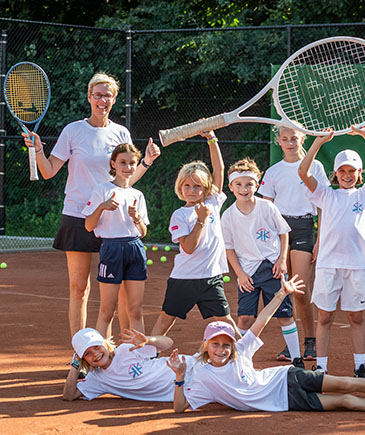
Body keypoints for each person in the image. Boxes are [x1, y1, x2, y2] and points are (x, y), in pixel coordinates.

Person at [167, 275, 365, 415]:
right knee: (346, 402)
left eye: (226, 344)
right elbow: (180, 408)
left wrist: (281, 293)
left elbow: (261, 319)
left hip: (287, 377)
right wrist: (180, 379)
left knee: (346, 383)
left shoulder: (241, 350)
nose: (222, 349)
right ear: (205, 346)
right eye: (216, 344)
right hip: (286, 401)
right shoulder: (200, 375)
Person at [22, 72, 160, 341]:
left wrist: (146, 163)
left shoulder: (121, 133)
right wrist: (38, 150)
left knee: (120, 290)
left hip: (115, 221)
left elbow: (125, 180)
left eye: (107, 95)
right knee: (79, 288)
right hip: (77, 215)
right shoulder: (73, 131)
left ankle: (122, 353)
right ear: (89, 97)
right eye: (97, 94)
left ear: (114, 98)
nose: (102, 100)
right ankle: (82, 351)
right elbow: (49, 171)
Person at [298, 126, 365, 378]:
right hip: (328, 265)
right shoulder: (325, 194)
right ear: (335, 173)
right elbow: (302, 172)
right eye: (342, 171)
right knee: (324, 318)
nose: (347, 175)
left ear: (360, 174)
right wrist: (317, 142)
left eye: (352, 171)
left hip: (357, 265)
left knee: (356, 317)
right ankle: (321, 368)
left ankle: (360, 366)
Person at [150, 129, 238, 337]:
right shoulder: (179, 215)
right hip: (184, 279)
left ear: (206, 189)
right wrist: (201, 219)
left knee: (226, 321)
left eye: (197, 186)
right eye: (187, 186)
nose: (191, 190)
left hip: (211, 278)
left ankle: (245, 359)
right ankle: (148, 358)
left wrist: (211, 139)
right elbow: (188, 248)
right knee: (165, 319)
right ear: (180, 187)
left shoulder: (212, 202)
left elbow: (219, 169)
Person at [220, 158, 303, 368]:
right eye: (238, 184)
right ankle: (239, 361)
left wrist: (282, 260)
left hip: (272, 269)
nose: (244, 189)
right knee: (245, 318)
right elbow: (228, 248)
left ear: (256, 186)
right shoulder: (228, 216)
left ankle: (297, 359)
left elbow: (284, 233)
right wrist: (239, 274)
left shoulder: (267, 207)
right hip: (247, 272)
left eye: (249, 184)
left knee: (284, 315)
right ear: (230, 187)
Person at [259, 125, 331, 362]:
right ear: (278, 140)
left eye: (294, 138)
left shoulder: (316, 167)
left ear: (303, 139)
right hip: (279, 230)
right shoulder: (273, 171)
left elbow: (323, 204)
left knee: (299, 289)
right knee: (283, 289)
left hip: (304, 228)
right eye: (285, 139)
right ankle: (292, 345)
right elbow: (266, 208)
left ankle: (310, 340)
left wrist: (321, 238)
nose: (290, 143)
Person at [83, 143, 149, 335]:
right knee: (107, 311)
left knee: (135, 310)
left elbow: (143, 231)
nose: (128, 167)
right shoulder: (101, 190)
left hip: (134, 249)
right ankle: (101, 356)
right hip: (111, 249)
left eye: (132, 163)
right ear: (113, 163)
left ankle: (139, 358)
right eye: (123, 162)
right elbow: (88, 225)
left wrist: (136, 218)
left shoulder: (137, 194)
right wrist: (102, 207)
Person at [63, 327, 193, 401]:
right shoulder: (97, 379)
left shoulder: (126, 349)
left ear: (105, 344)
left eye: (97, 347)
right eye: (87, 354)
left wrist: (148, 340)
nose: (95, 354)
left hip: (188, 367)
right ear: (84, 360)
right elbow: (69, 395)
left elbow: (168, 343)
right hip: (185, 389)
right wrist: (75, 365)